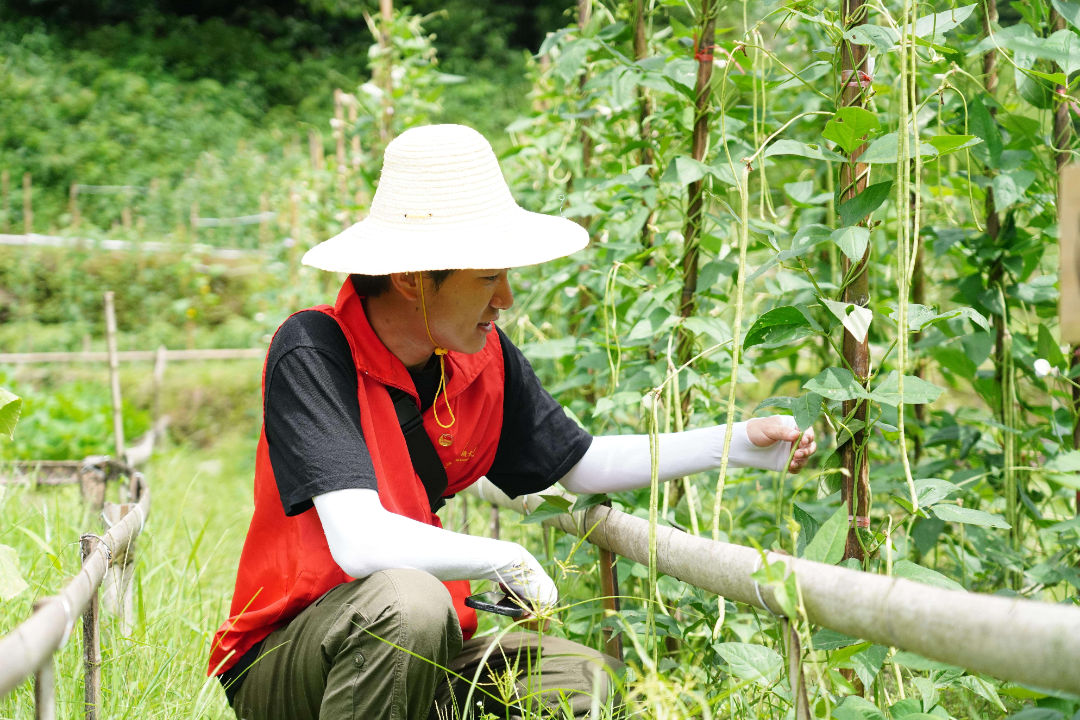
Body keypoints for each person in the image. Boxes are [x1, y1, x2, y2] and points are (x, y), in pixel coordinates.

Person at [208, 124, 817, 720]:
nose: (506, 298)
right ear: (412, 278)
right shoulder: (315, 350)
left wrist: (739, 444)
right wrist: (504, 557)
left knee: (577, 678)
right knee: (410, 601)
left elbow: (581, 463)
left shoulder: (481, 360)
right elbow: (360, 541)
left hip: (427, 640)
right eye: (487, 277)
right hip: (293, 657)